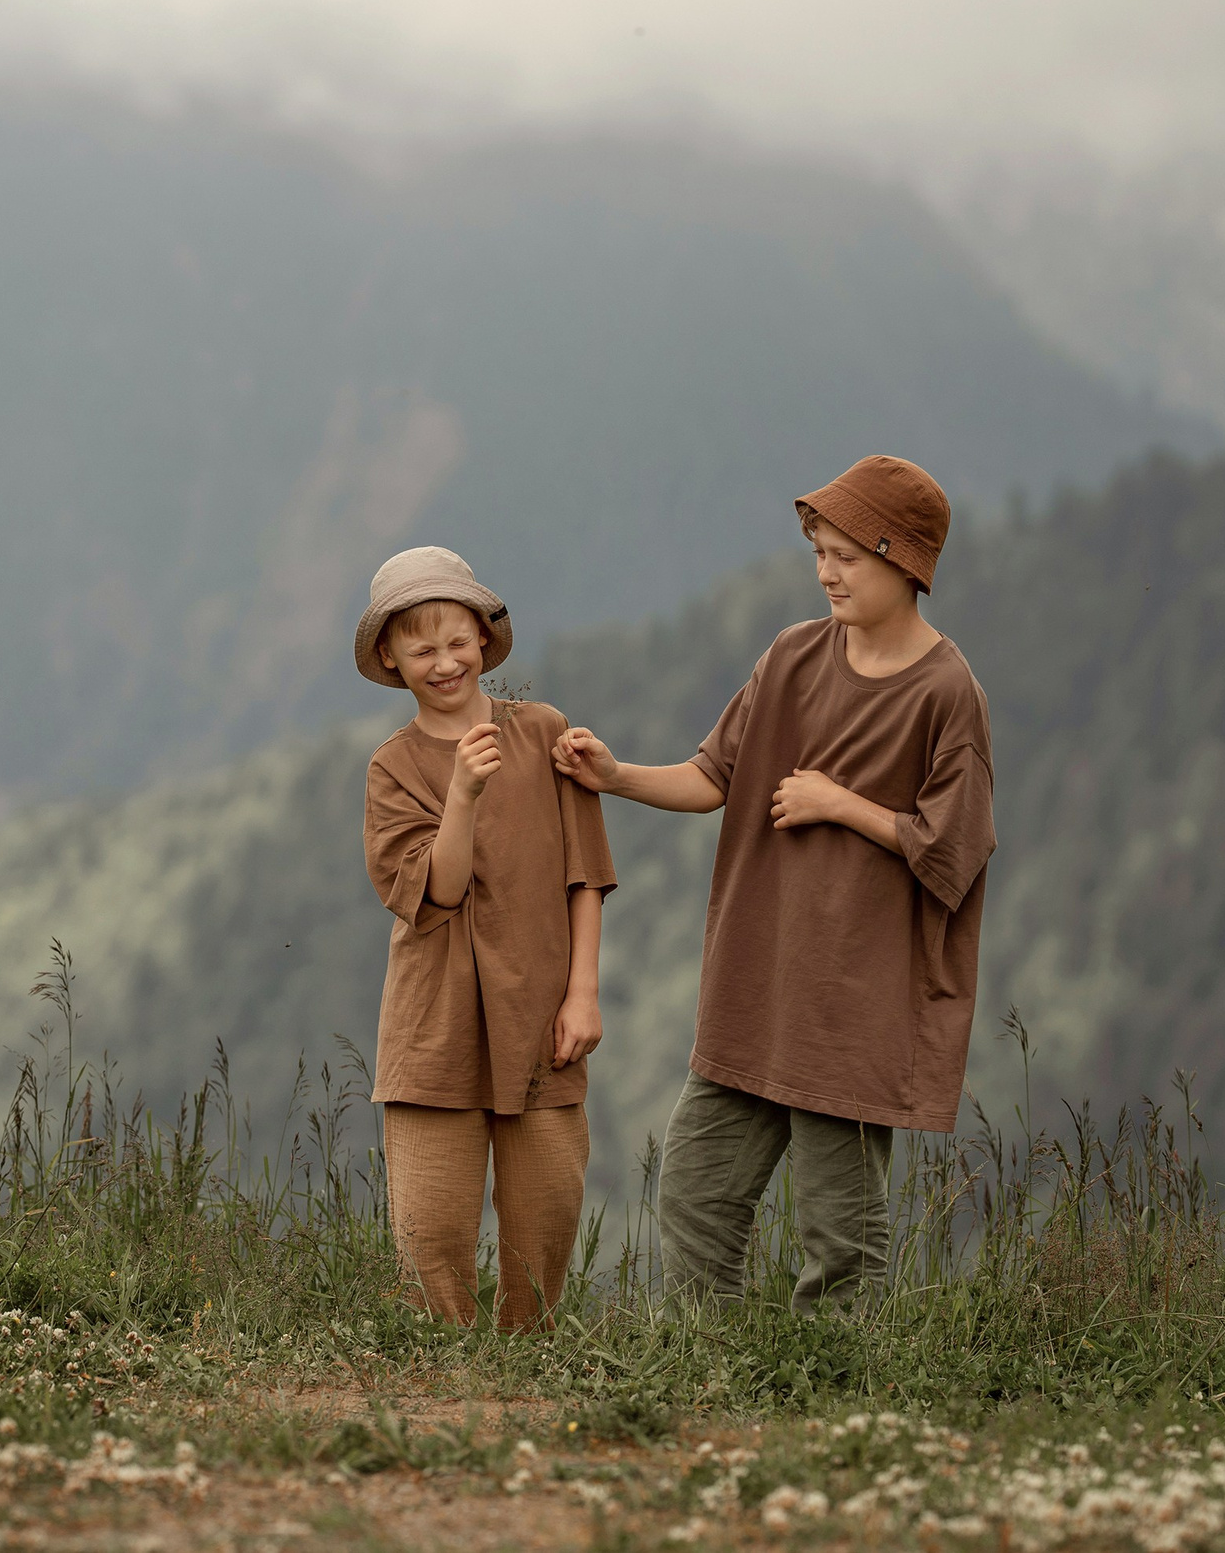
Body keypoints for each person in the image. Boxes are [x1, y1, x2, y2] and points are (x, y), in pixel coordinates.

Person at [553, 456, 994, 1312]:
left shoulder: (946, 693)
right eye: (818, 552)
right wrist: (613, 776)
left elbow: (956, 849)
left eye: (847, 556)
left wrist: (843, 805)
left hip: (853, 1005)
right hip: (755, 983)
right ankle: (700, 1377)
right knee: (694, 1194)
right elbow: (711, 777)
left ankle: (835, 1408)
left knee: (840, 1235)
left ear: (904, 561)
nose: (826, 572)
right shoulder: (792, 655)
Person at [357, 546, 618, 1330]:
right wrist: (464, 793)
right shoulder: (392, 768)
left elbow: (586, 874)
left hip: (541, 1020)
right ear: (390, 659)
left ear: (484, 638)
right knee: (431, 1241)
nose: (444, 663)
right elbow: (435, 891)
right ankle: (446, 1401)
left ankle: (524, 1392)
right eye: (421, 648)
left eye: (457, 641)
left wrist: (582, 995)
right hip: (433, 1030)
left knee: (544, 1233)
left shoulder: (542, 733)